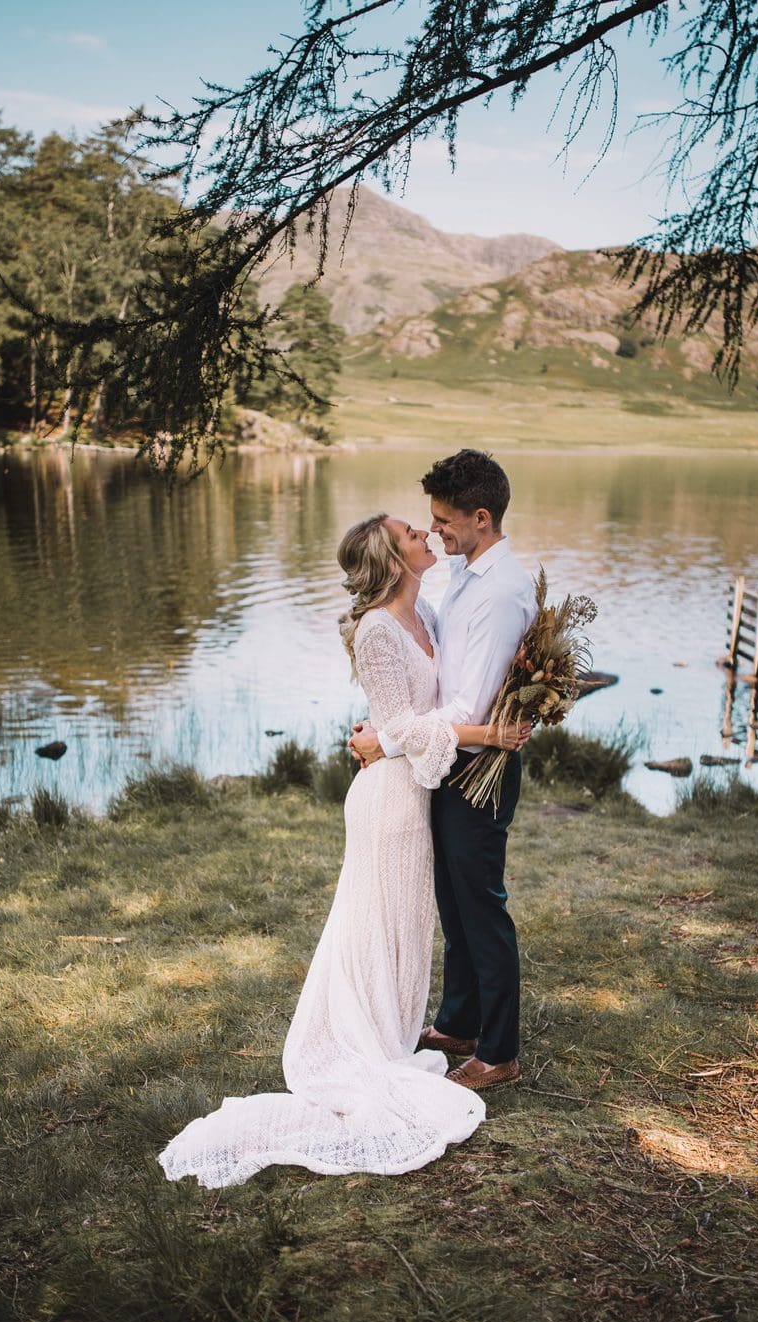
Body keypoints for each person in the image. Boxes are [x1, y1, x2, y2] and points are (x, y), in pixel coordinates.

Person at [157, 512, 528, 1187]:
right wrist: (489, 736)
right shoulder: (379, 628)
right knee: (375, 919)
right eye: (415, 532)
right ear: (394, 556)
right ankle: (367, 1040)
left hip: (417, 794)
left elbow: (438, 698)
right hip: (388, 799)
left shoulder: (428, 616)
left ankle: (392, 1030)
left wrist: (508, 683)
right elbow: (402, 727)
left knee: (405, 923)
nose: (427, 534)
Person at [350, 450, 536, 1093]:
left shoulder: (500, 594)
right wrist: (389, 731)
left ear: (481, 518)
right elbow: (422, 674)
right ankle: (458, 1020)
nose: (434, 533)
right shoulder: (465, 575)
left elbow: (469, 705)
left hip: (477, 765)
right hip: (446, 762)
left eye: (443, 522)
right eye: (425, 525)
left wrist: (389, 742)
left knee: (481, 906)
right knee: (455, 906)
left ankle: (500, 1048)